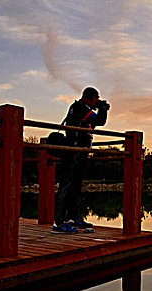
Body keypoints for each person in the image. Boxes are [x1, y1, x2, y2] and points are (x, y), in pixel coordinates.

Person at [52, 87, 110, 234]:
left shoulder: (84, 109)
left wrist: (101, 108)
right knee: (66, 185)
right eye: (96, 98)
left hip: (81, 152)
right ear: (90, 98)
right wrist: (102, 109)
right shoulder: (79, 107)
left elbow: (94, 123)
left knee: (75, 186)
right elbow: (100, 121)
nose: (97, 101)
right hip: (73, 151)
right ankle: (58, 224)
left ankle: (73, 218)